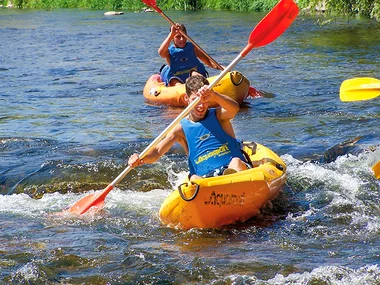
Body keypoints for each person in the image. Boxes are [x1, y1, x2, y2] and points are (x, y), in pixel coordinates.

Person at [128, 75, 249, 180]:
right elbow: (157, 152)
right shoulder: (180, 129)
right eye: (195, 100)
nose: (201, 105)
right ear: (186, 99)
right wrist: (140, 159)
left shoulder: (218, 116)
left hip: (232, 170)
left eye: (204, 100)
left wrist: (214, 95)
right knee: (195, 178)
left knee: (236, 162)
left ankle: (233, 185)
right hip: (206, 178)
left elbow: (234, 108)